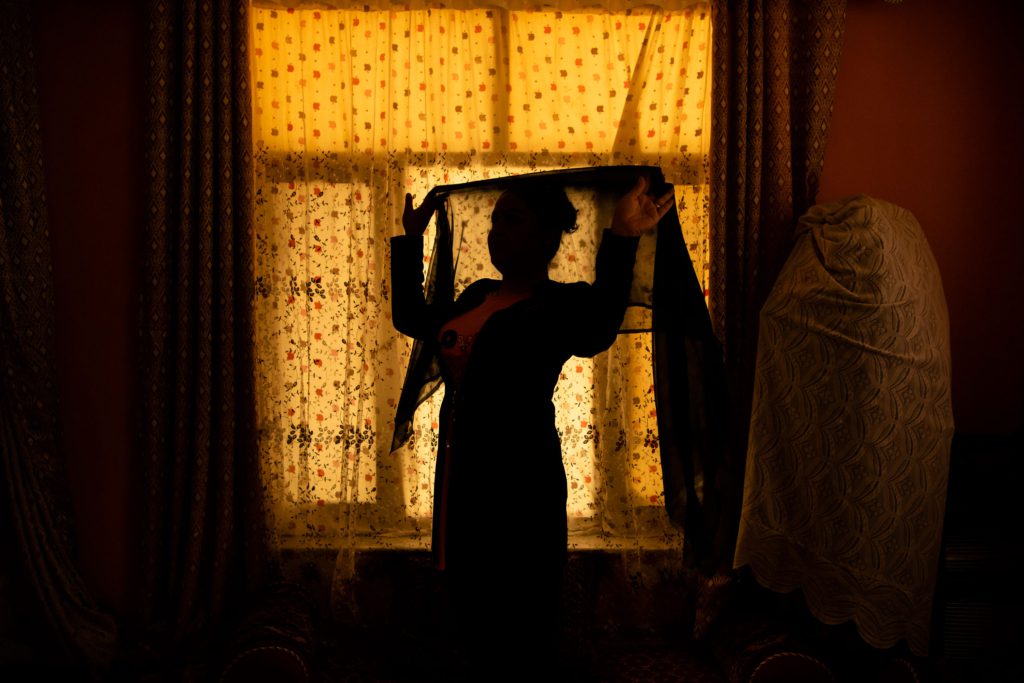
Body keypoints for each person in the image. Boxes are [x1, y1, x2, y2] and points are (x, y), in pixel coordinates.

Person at [390, 175, 672, 679]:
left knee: (523, 631)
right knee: (473, 622)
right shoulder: (477, 295)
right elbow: (414, 317)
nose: (496, 232)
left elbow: (601, 324)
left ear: (546, 236)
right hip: (462, 485)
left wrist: (623, 234)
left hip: (523, 487)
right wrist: (411, 239)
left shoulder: (560, 306)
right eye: (495, 220)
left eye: (512, 219)